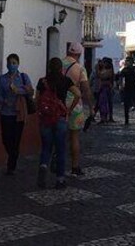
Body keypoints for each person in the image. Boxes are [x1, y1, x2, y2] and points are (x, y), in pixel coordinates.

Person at [36, 57, 80, 189]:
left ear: (49, 67)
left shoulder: (42, 81)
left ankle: (43, 165)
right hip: (60, 117)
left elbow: (37, 99)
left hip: (46, 119)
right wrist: (69, 109)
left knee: (46, 147)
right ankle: (60, 179)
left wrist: (40, 111)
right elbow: (78, 94)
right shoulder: (65, 80)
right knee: (60, 149)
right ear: (61, 68)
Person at [0, 54, 33, 175]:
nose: (12, 65)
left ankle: (11, 166)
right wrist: (3, 101)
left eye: (14, 63)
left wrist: (18, 90)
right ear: (6, 64)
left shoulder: (23, 77)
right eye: (10, 63)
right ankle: (13, 155)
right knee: (6, 139)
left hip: (18, 113)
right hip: (6, 112)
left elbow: (30, 91)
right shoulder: (2, 79)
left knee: (16, 140)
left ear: (18, 64)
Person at [63, 42, 92, 176]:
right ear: (79, 54)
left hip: (59, 104)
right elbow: (86, 90)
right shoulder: (80, 69)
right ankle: (75, 167)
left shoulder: (59, 65)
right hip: (75, 106)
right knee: (74, 137)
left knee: (59, 136)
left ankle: (59, 166)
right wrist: (91, 108)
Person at [117, 57, 135, 125]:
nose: (127, 62)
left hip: (134, 88)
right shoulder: (125, 69)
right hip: (127, 88)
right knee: (126, 105)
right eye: (126, 61)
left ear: (131, 62)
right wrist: (121, 85)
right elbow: (120, 77)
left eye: (128, 61)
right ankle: (126, 120)